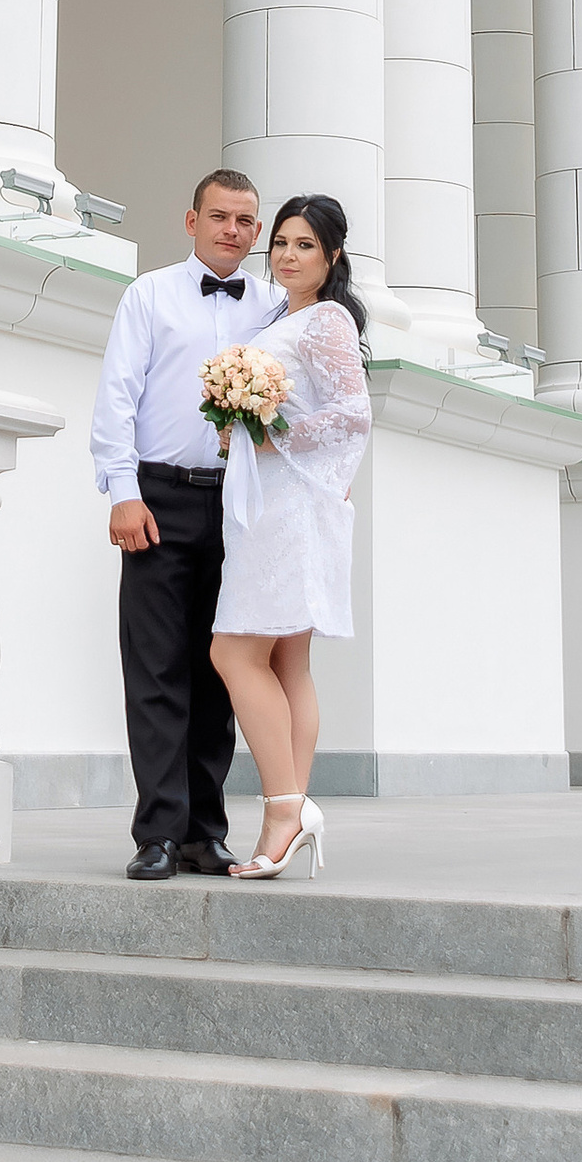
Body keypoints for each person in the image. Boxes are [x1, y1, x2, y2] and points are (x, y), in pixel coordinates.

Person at [90, 169, 286, 879]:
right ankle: (158, 833)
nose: (233, 230)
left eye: (245, 221)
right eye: (220, 216)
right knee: (156, 669)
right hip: (158, 499)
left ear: (256, 230)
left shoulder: (275, 307)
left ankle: (206, 832)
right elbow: (117, 397)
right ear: (191, 221)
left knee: (223, 671)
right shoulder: (148, 295)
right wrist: (122, 492)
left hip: (241, 507)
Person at [209, 193, 371, 880]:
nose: (287, 255)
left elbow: (353, 415)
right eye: (280, 242)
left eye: (305, 245)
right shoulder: (285, 316)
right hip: (272, 502)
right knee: (286, 663)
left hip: (290, 508)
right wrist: (237, 429)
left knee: (232, 651)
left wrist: (269, 435)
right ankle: (292, 810)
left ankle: (284, 808)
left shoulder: (326, 319)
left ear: (332, 256)